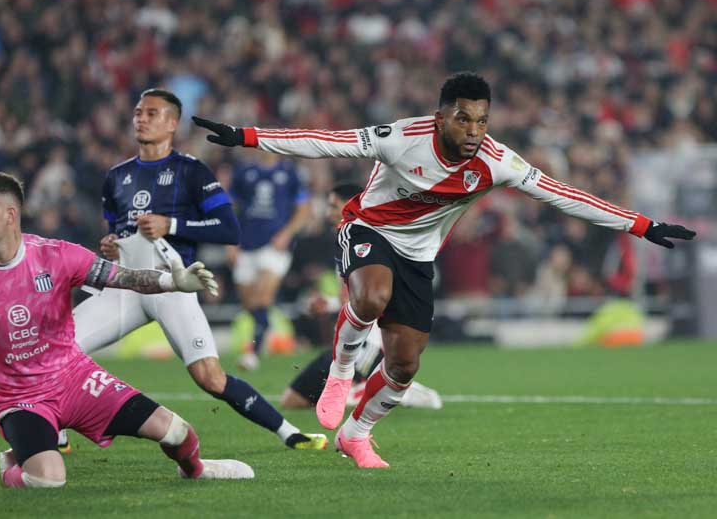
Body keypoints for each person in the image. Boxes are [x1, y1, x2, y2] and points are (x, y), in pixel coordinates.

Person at [193, 72, 697, 468]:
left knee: (405, 368)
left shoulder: (497, 161)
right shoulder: (401, 137)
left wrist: (641, 225)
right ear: (440, 118)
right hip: (368, 229)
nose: (473, 131)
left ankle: (357, 434)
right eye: (463, 120)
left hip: (418, 257)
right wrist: (247, 136)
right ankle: (340, 374)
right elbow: (327, 141)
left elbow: (562, 195)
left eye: (481, 121)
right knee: (369, 297)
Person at [0, 171, 254, 487]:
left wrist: (173, 281)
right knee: (47, 479)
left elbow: (124, 278)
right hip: (18, 399)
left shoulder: (56, 254)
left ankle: (196, 470)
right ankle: (12, 467)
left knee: (177, 431)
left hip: (75, 379)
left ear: (10, 215)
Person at [67, 88, 326, 452]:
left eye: (152, 113)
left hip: (172, 285)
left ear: (172, 124)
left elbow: (229, 229)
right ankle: (56, 431)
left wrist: (171, 225)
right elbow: (116, 232)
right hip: (125, 286)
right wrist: (110, 244)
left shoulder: (191, 171)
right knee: (60, 349)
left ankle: (288, 432)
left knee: (211, 378)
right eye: (138, 112)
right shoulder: (116, 176)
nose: (141, 118)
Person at [281, 183, 442, 412]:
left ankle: (394, 392)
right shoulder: (344, 238)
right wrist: (328, 303)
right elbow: (351, 298)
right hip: (351, 335)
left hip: (370, 340)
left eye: (333, 206)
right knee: (292, 400)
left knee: (297, 400)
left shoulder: (371, 240)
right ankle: (374, 389)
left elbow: (375, 296)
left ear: (351, 205)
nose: (328, 213)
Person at [228, 151, 312, 371]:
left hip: (275, 245)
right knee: (249, 304)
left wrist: (287, 233)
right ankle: (264, 327)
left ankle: (252, 354)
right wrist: (230, 241)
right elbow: (230, 207)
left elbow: (303, 209)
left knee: (262, 297)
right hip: (246, 244)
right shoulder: (244, 171)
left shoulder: (291, 173)